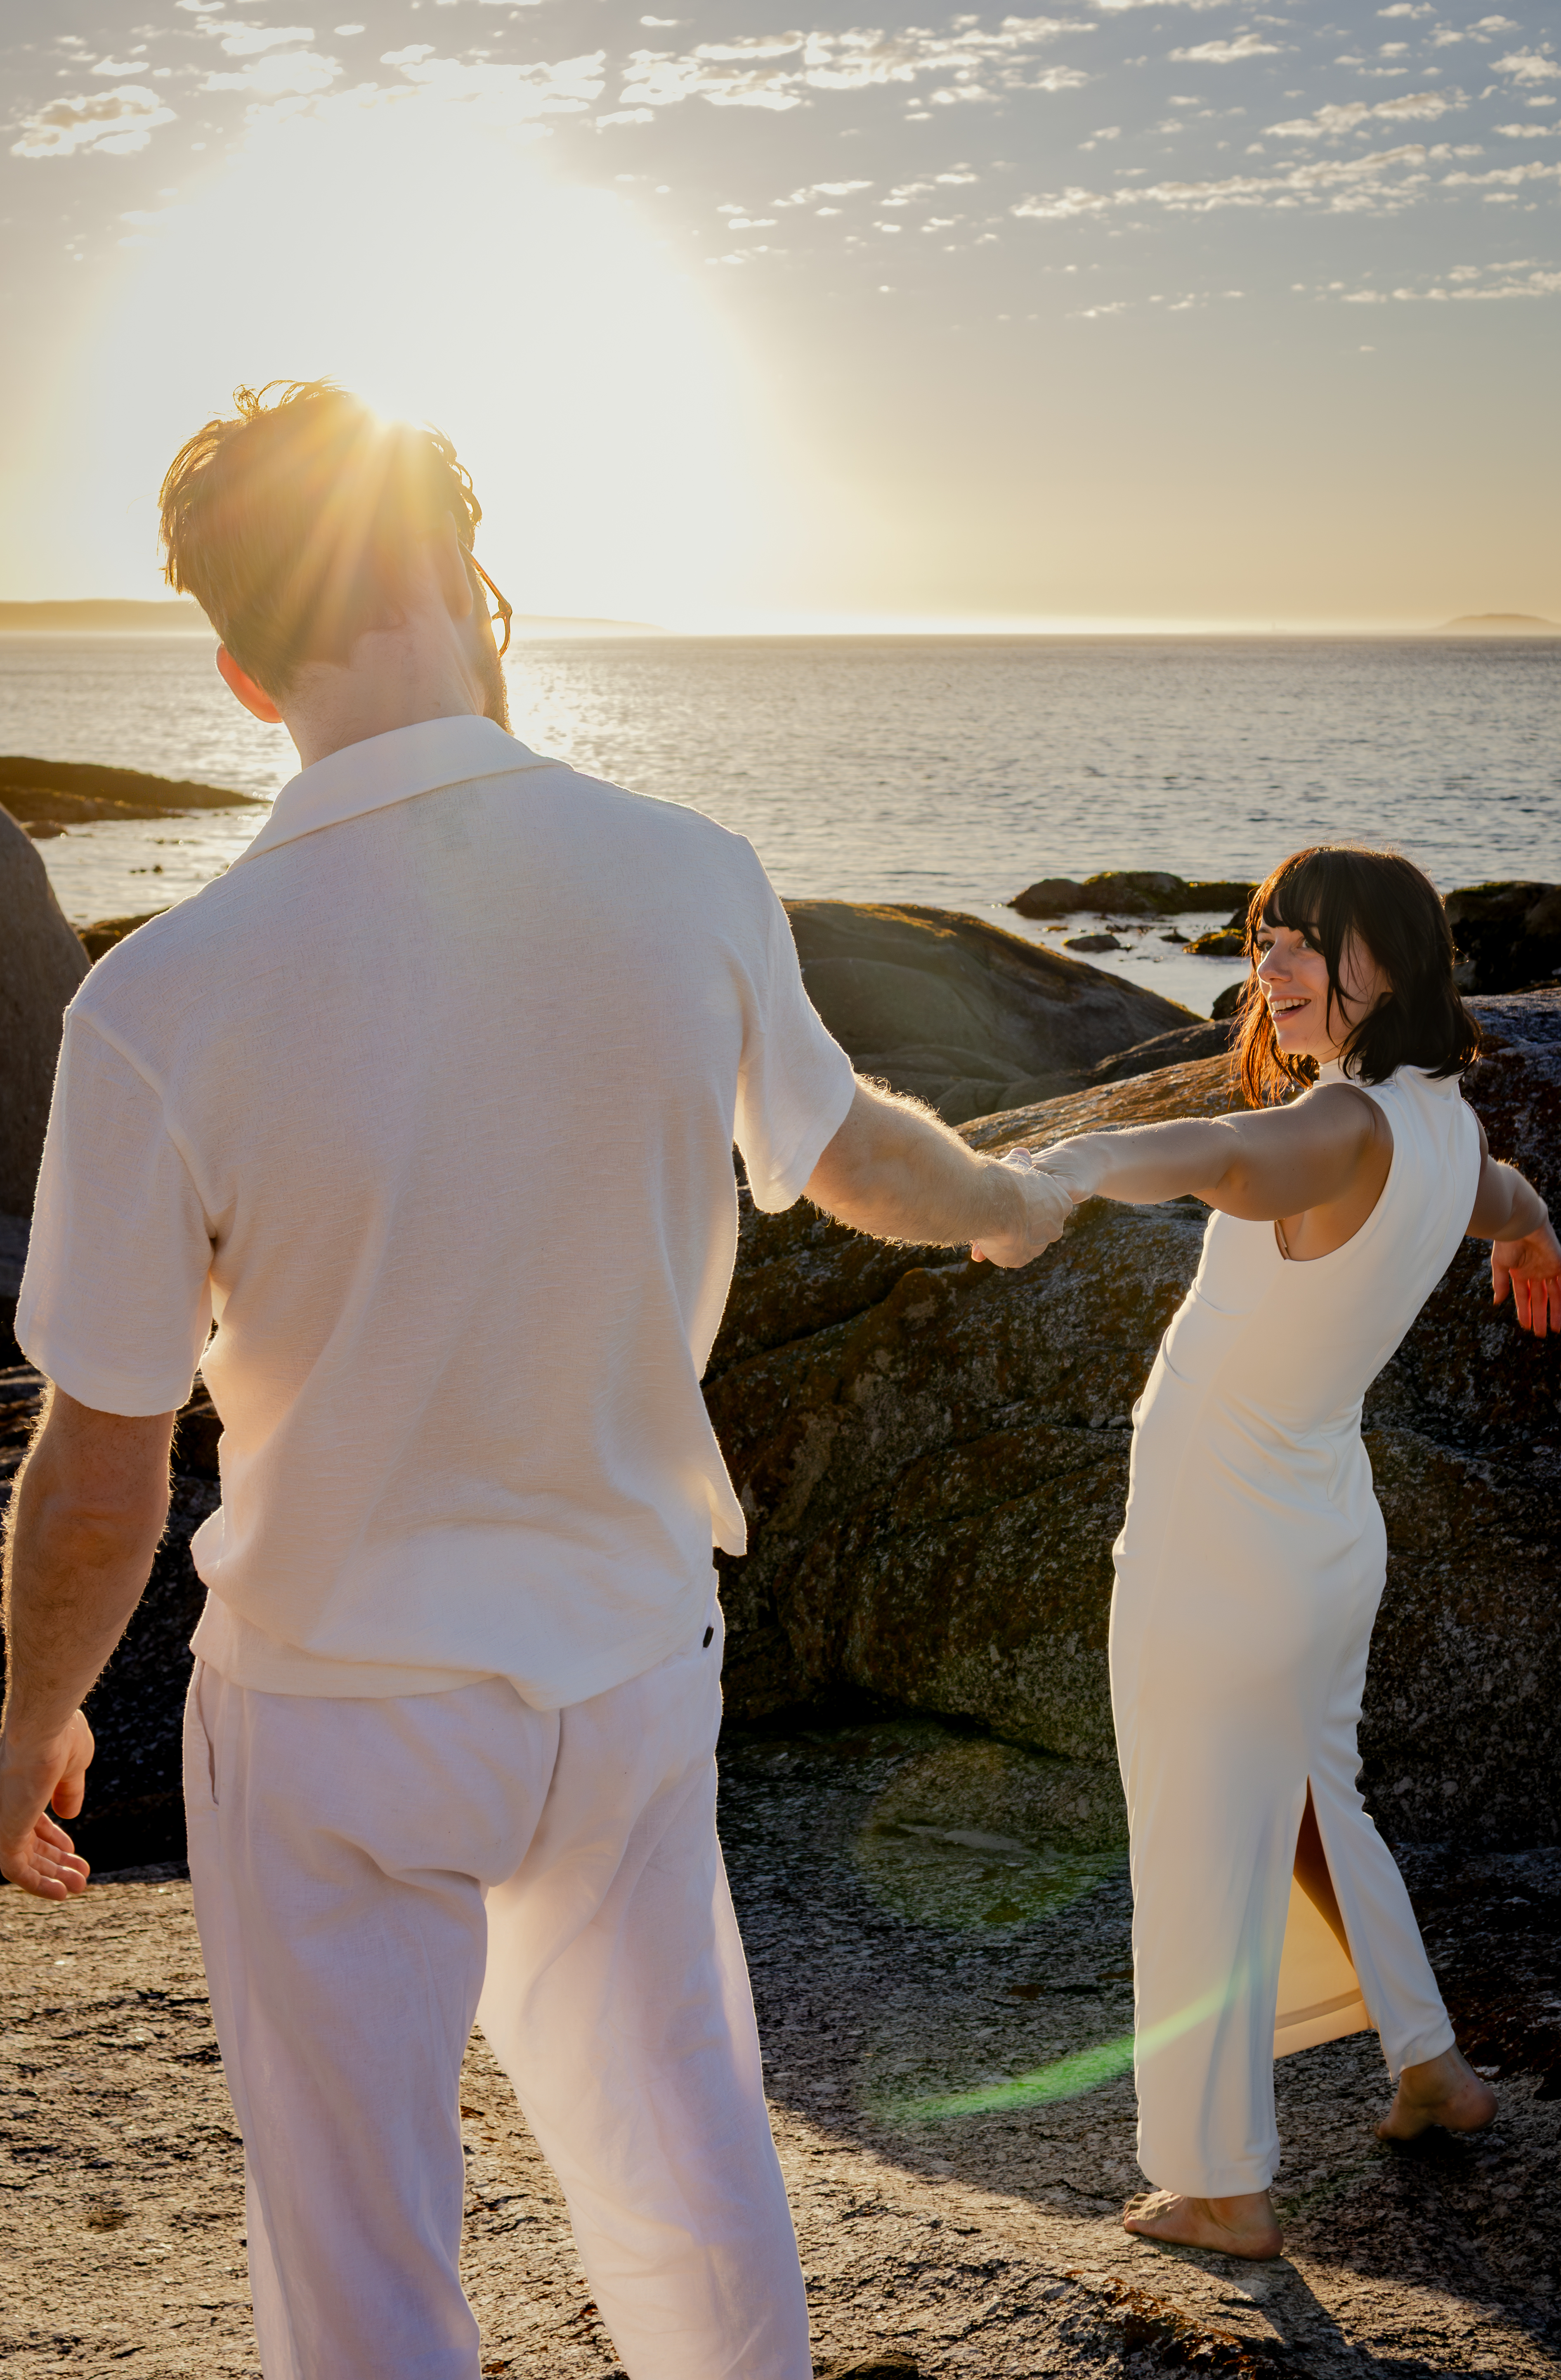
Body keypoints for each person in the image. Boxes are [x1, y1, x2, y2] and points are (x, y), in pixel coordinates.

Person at [0, 379, 1072, 2380]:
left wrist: (28, 1715)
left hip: (337, 1712)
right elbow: (857, 1160)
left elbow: (100, 1465)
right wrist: (1015, 1200)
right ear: (475, 586)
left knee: (368, 2268)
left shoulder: (166, 996)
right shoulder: (688, 874)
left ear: (239, 673)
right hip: (629, 1672)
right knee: (684, 2168)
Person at [1028, 845, 1561, 2262]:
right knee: (1319, 1808)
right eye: (1262, 939)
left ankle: (1223, 2186)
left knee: (1202, 1841)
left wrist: (1070, 1165)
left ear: (1382, 968)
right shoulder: (1444, 1127)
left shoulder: (1336, 1126)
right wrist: (1534, 1240)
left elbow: (1216, 1154)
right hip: (1320, 1529)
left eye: (1300, 945)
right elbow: (1506, 1199)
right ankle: (1429, 2068)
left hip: (1222, 1542)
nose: (1262, 968)